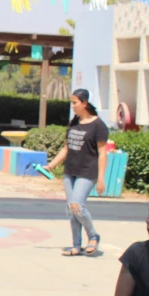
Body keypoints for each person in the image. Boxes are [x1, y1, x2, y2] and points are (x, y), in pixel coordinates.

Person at [44, 89, 108, 256]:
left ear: (84, 104)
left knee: (76, 205)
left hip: (88, 172)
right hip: (70, 171)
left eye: (74, 103)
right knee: (71, 209)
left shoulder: (99, 126)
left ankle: (93, 235)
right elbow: (67, 148)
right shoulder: (74, 122)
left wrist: (101, 178)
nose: (72, 106)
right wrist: (50, 166)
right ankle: (76, 245)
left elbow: (102, 153)